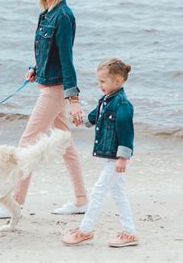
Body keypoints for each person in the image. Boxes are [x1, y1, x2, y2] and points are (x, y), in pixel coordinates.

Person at [0, 0, 88, 219]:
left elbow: (67, 60)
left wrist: (74, 100)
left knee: (27, 143)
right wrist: (36, 68)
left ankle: (15, 203)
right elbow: (50, 52)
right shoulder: (46, 13)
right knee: (66, 145)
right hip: (47, 83)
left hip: (55, 90)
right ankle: (81, 200)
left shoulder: (63, 16)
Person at [62, 58, 139, 247]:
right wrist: (85, 121)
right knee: (118, 193)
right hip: (109, 156)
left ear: (117, 81)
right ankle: (130, 233)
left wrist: (123, 157)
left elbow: (126, 132)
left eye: (103, 82)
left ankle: (85, 230)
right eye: (99, 81)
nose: (100, 85)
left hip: (116, 158)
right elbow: (98, 113)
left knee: (97, 191)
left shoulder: (122, 104)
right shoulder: (107, 100)